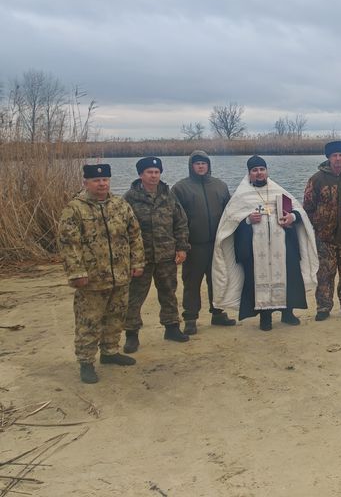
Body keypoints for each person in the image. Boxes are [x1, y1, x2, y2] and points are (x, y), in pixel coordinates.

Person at [58, 163, 145, 384]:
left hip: (120, 274)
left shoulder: (120, 205)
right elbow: (69, 244)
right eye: (97, 180)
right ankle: (86, 362)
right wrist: (76, 272)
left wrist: (137, 262)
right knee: (89, 321)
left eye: (105, 179)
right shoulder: (75, 208)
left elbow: (134, 235)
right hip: (92, 278)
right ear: (86, 182)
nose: (102, 183)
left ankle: (110, 352)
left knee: (116, 316)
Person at [212, 156, 318, 330]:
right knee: (257, 281)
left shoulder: (278, 190)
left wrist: (292, 216)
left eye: (262, 169)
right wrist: (247, 220)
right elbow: (230, 221)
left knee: (288, 278)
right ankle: (265, 317)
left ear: (267, 171)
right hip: (255, 249)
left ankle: (287, 313)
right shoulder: (242, 195)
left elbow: (299, 213)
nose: (259, 173)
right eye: (255, 170)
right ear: (249, 173)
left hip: (282, 247)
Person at [122, 157, 191, 353]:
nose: (154, 176)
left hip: (166, 255)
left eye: (156, 172)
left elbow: (180, 223)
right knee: (134, 297)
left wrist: (182, 247)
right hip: (140, 258)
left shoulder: (168, 196)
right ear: (140, 175)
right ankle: (131, 335)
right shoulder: (129, 198)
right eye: (149, 172)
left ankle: (171, 328)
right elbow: (122, 230)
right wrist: (129, 257)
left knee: (169, 293)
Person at [171, 150, 236, 334]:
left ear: (208, 165)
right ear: (191, 166)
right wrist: (181, 245)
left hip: (216, 244)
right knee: (192, 283)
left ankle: (217, 313)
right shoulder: (180, 188)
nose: (201, 166)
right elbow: (175, 220)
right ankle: (190, 318)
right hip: (193, 245)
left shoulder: (220, 186)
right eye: (197, 163)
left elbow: (229, 214)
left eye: (204, 163)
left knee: (217, 280)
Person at [303, 140, 341, 321]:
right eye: (334, 155)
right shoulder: (317, 179)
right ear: (328, 157)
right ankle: (323, 307)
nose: (338, 158)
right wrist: (318, 225)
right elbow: (308, 207)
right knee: (325, 274)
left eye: (340, 155)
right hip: (324, 238)